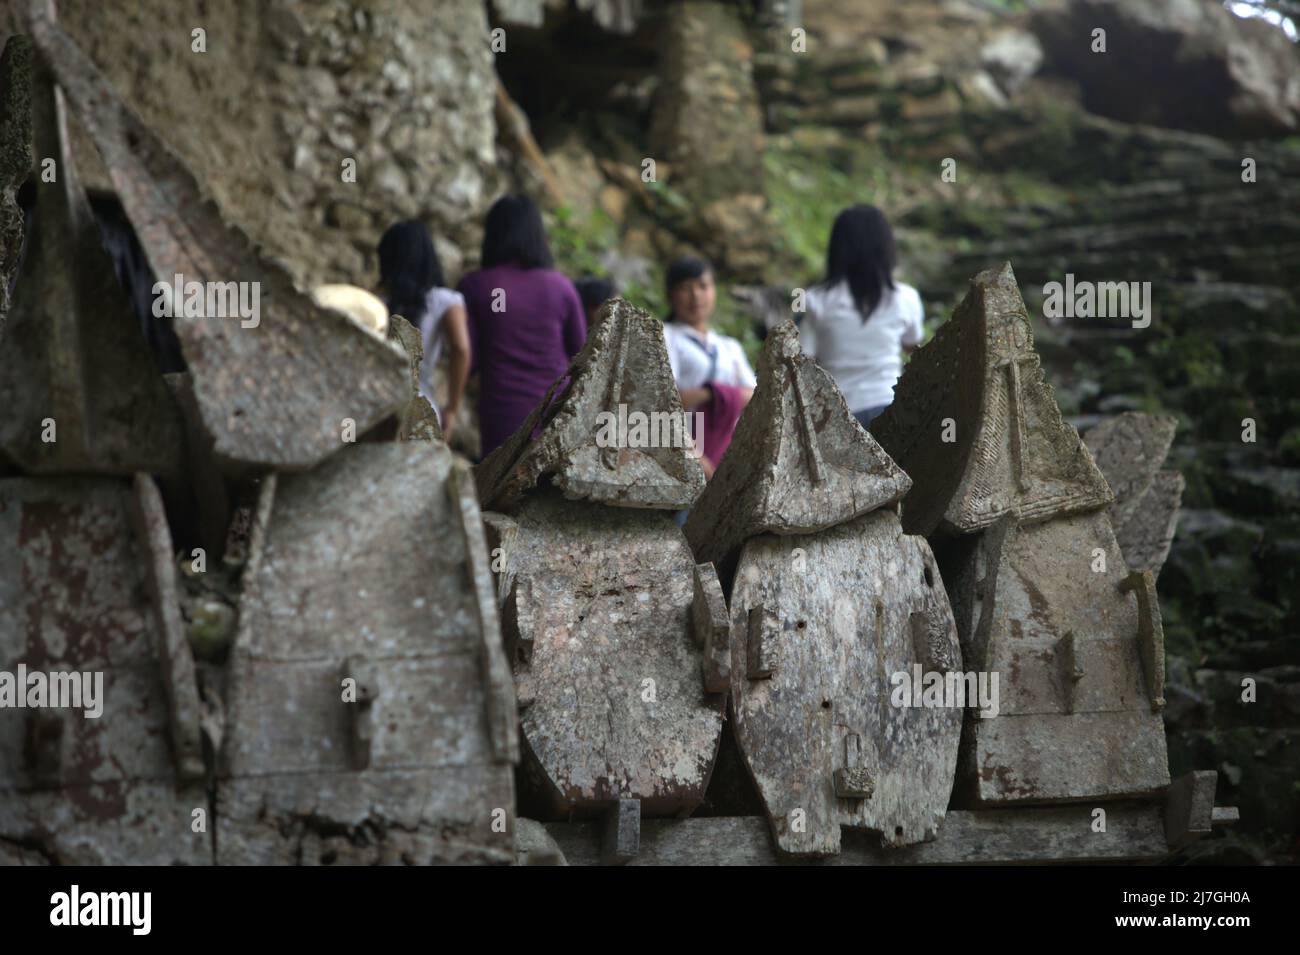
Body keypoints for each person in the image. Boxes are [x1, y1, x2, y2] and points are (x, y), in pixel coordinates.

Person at [458, 195, 587, 457]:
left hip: (503, 413)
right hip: (558, 411)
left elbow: (469, 359)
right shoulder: (561, 287)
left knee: (502, 491)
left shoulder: (478, 285)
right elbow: (582, 354)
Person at [799, 205, 924, 430]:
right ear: (886, 249)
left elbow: (803, 362)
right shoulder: (905, 298)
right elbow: (915, 348)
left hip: (837, 417)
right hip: (892, 411)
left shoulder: (815, 301)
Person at [661, 257, 755, 477]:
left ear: (714, 291)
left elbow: (757, 396)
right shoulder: (664, 336)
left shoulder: (729, 346)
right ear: (670, 295)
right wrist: (713, 393)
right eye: (685, 288)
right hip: (679, 444)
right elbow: (664, 401)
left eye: (703, 286)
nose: (696, 296)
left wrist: (711, 394)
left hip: (727, 448)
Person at [377, 220, 471, 440]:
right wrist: (452, 408)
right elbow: (461, 348)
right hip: (421, 409)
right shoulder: (446, 301)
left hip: (376, 405)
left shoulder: (374, 301)